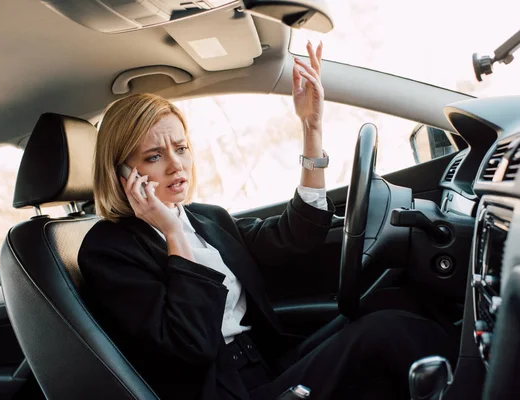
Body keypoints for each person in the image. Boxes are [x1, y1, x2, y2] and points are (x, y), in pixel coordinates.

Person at [79, 41, 456, 400]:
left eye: (181, 148)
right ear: (122, 172)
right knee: (386, 334)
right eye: (154, 157)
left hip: (269, 364)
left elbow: (295, 237)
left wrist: (311, 130)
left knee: (393, 302)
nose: (177, 164)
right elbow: (187, 345)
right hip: (224, 390)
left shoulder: (205, 219)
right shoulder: (108, 249)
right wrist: (173, 234)